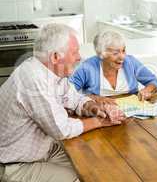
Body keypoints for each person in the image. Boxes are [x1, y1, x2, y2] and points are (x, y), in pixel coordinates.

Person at [0, 24, 125, 182]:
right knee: (82, 177)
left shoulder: (52, 72)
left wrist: (94, 108)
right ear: (55, 57)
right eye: (74, 52)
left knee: (93, 165)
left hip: (42, 150)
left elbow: (75, 99)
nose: (79, 57)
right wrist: (99, 121)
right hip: (15, 165)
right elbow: (61, 129)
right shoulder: (33, 79)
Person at [70, 30, 157, 103]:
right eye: (116, 53)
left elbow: (153, 81)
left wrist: (147, 90)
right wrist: (96, 98)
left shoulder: (130, 62)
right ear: (102, 54)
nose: (122, 57)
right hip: (100, 112)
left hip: (132, 111)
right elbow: (69, 93)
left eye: (123, 51)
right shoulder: (87, 67)